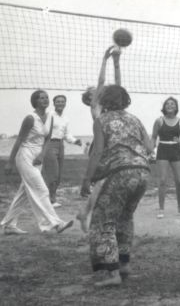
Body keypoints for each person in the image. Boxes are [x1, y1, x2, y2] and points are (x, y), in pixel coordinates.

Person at [81, 85, 153, 287]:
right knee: (126, 217)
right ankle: (124, 264)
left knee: (105, 221)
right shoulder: (134, 119)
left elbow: (97, 153)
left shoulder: (101, 120)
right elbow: (149, 147)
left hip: (120, 173)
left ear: (103, 100)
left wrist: (87, 179)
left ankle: (112, 274)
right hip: (142, 172)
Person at [0, 90, 73, 235]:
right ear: (35, 101)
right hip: (25, 156)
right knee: (42, 190)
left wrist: (42, 155)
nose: (45, 100)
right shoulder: (30, 118)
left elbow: (48, 139)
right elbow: (19, 140)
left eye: (46, 98)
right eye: (41, 98)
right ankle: (55, 223)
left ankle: (9, 225)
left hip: (38, 157)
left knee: (24, 194)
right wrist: (10, 162)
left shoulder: (50, 117)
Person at [77, 45, 122, 231]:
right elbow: (102, 80)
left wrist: (117, 62)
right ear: (90, 98)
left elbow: (118, 85)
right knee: (102, 182)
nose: (96, 90)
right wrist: (104, 60)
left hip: (115, 144)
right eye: (92, 90)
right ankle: (91, 215)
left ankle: (85, 213)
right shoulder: (95, 105)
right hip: (101, 146)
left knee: (109, 182)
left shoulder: (111, 103)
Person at [42, 94, 83, 207]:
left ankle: (52, 198)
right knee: (52, 174)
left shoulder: (65, 118)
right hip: (49, 144)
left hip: (60, 145)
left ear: (65, 103)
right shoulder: (49, 115)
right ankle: (50, 200)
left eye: (62, 101)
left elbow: (66, 134)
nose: (60, 103)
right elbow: (44, 131)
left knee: (58, 175)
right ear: (54, 103)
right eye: (58, 101)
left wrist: (75, 141)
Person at [152, 97, 180, 218]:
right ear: (164, 107)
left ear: (176, 107)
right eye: (167, 104)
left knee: (179, 181)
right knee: (162, 180)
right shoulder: (159, 121)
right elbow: (153, 138)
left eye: (172, 104)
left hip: (175, 150)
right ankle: (161, 209)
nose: (170, 105)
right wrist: (150, 150)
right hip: (162, 150)